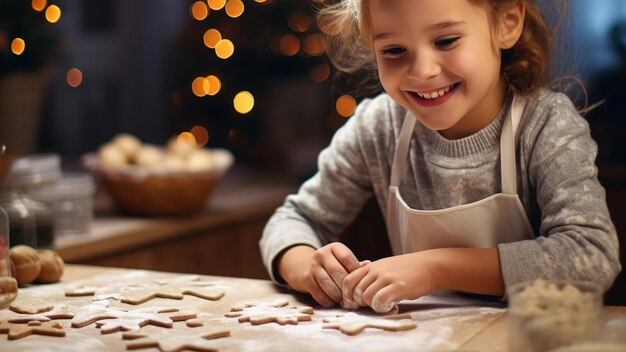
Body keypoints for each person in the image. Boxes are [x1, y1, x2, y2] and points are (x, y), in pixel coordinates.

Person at [260, 0, 621, 313]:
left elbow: (591, 257)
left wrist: (436, 268)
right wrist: (306, 265)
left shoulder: (545, 126)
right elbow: (293, 218)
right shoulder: (378, 127)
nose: (422, 71)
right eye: (394, 51)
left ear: (507, 24)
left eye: (446, 41)